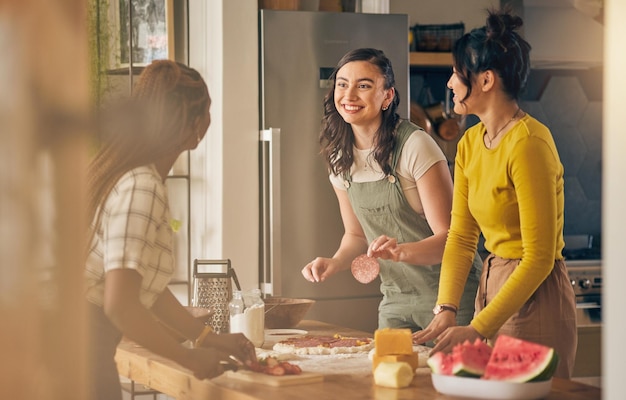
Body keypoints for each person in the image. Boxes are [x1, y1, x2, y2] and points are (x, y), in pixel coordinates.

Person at [411, 9, 577, 379]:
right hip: (492, 289)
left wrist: (477, 327)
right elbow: (461, 235)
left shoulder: (529, 143)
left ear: (485, 80)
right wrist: (447, 308)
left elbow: (538, 258)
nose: (451, 82)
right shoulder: (470, 142)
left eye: (458, 72)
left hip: (536, 297)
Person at [85, 60, 256, 400]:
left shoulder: (126, 172)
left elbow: (143, 286)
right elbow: (119, 304)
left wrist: (208, 338)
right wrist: (187, 357)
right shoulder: (142, 186)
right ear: (194, 125)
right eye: (208, 110)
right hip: (80, 354)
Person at [301, 48, 482, 333]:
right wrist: (336, 262)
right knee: (388, 377)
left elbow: (451, 239)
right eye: (342, 84)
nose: (349, 96)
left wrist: (401, 253)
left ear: (387, 96)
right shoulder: (339, 158)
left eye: (364, 86)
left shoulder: (415, 146)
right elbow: (356, 235)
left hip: (452, 299)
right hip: (395, 300)